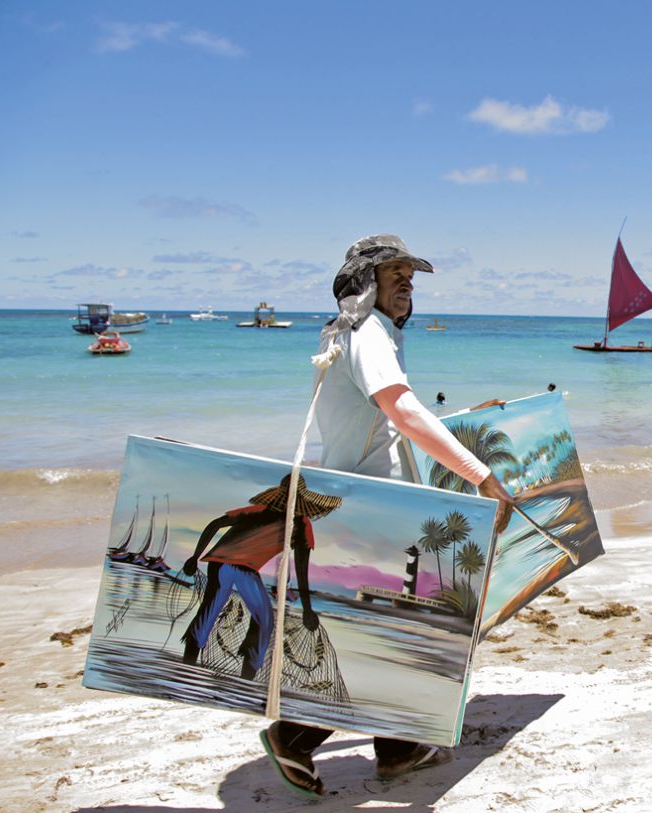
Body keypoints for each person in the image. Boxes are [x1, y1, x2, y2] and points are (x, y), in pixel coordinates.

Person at [259, 233, 515, 798]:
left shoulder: (354, 335)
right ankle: (295, 735)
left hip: (364, 502)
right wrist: (481, 475)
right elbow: (400, 409)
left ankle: (397, 749)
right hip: (379, 509)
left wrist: (465, 419)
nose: (406, 283)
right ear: (364, 282)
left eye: (410, 275)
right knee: (394, 629)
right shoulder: (368, 332)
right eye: (393, 273)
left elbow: (386, 421)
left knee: (397, 625)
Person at [181, 474, 341, 680]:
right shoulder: (274, 517)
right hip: (226, 564)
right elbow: (215, 524)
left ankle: (233, 677)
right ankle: (198, 672)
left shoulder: (295, 524)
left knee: (253, 616)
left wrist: (307, 609)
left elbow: (302, 569)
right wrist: (194, 557)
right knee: (228, 613)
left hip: (236, 568)